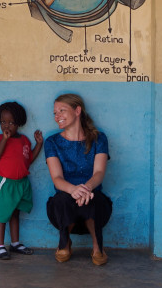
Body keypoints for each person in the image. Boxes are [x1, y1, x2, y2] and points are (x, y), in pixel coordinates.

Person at [44, 94, 112, 266]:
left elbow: (99, 172)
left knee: (94, 198)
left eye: (62, 110)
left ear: (77, 111)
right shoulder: (52, 142)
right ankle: (64, 243)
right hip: (64, 208)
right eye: (54, 113)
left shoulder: (99, 138)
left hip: (93, 207)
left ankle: (98, 247)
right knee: (62, 199)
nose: (57, 116)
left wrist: (86, 188)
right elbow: (57, 179)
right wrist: (74, 190)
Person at [0, 101, 43, 260]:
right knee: (2, 215)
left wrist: (39, 144)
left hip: (21, 183)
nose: (7, 126)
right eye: (3, 122)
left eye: (11, 123)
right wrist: (5, 140)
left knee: (15, 214)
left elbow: (29, 159)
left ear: (19, 123)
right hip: (6, 184)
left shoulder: (24, 140)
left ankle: (15, 243)